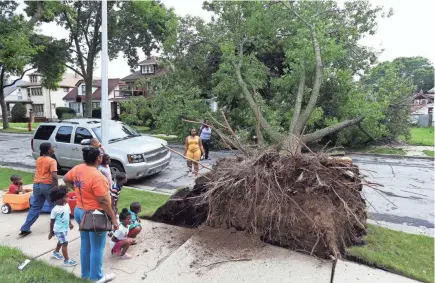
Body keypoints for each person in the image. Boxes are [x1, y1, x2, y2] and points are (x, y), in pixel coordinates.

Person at [64, 147, 118, 283]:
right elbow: (104, 201)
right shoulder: (98, 177)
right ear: (98, 158)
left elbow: (66, 178)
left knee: (86, 244)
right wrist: (113, 218)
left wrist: (78, 190)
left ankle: (86, 275)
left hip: (79, 211)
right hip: (94, 216)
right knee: (97, 247)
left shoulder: (78, 168)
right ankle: (97, 277)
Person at [20, 142, 58, 236]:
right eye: (52, 147)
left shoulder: (39, 159)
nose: (53, 149)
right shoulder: (52, 161)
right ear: (49, 150)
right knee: (56, 206)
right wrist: (56, 188)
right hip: (47, 185)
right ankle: (58, 228)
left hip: (36, 185)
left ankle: (25, 227)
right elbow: (54, 176)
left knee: (35, 207)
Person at [48, 186, 77, 267]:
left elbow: (67, 215)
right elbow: (52, 222)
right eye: (66, 197)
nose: (68, 198)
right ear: (59, 199)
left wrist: (70, 224)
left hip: (65, 228)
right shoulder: (55, 210)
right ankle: (66, 260)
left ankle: (55, 253)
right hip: (59, 230)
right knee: (65, 243)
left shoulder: (66, 205)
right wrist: (51, 232)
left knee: (61, 241)